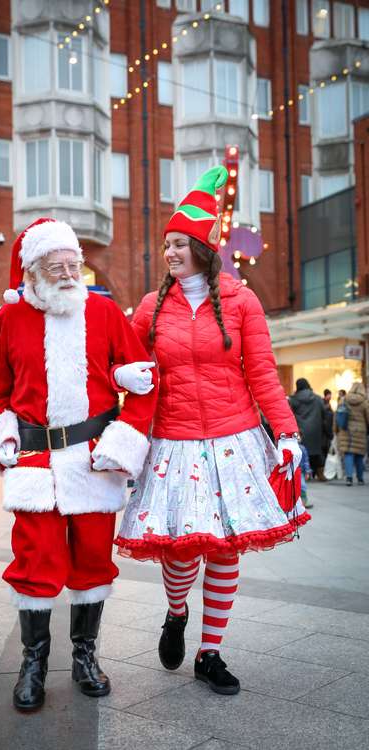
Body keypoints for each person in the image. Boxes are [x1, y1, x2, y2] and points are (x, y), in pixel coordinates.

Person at [114, 166, 309, 696]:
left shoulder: (243, 301)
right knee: (180, 549)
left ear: (203, 247)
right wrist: (119, 380)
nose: (170, 252)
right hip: (172, 442)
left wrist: (287, 434)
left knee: (225, 548)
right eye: (167, 244)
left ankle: (210, 652)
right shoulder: (152, 308)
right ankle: (176, 612)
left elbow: (263, 372)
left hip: (235, 438)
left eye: (179, 243)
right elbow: (128, 367)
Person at [0, 218, 157, 712]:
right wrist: (4, 439)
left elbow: (145, 382)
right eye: (54, 265)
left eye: (72, 264)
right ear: (31, 271)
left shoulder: (103, 313)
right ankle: (32, 662)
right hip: (35, 463)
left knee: (94, 563)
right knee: (35, 564)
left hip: (95, 461)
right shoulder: (8, 320)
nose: (66, 273)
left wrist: (122, 444)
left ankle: (84, 658)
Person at [289, 379, 326, 480]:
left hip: (301, 430)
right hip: (316, 430)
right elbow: (324, 413)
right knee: (318, 452)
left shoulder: (294, 399)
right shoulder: (318, 398)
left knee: (302, 451)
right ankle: (320, 474)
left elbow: (290, 414)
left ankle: (305, 474)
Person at [334, 382, 369, 486]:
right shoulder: (364, 402)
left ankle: (349, 478)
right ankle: (360, 478)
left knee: (348, 453)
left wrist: (335, 430)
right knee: (359, 454)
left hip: (345, 431)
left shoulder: (343, 399)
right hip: (360, 431)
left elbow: (336, 417)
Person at [299, 439, 313, 509]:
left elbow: (306, 461)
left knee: (302, 486)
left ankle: (303, 503)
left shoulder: (302, 448)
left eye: (299, 436)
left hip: (300, 471)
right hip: (291, 472)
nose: (297, 438)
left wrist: (307, 471)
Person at [321, 389, 334, 463]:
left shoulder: (327, 403)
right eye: (329, 395)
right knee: (325, 448)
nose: (330, 396)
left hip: (326, 430)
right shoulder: (324, 403)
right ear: (326, 395)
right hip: (325, 430)